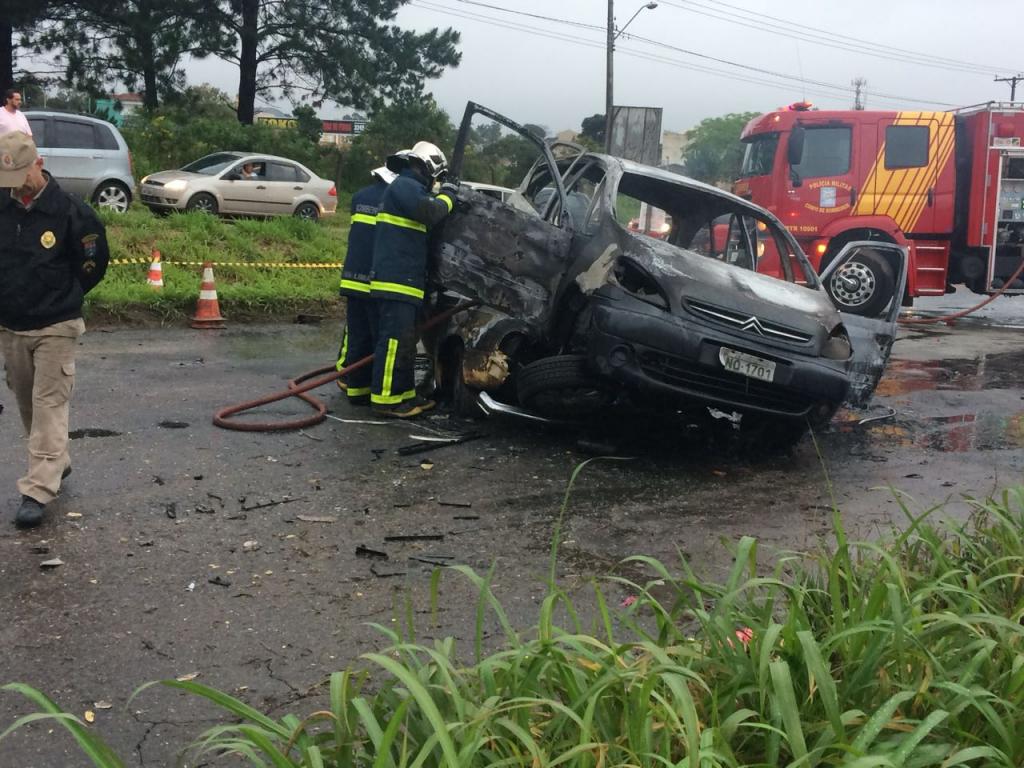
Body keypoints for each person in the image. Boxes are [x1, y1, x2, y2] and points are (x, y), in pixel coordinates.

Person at [0, 131, 109, 528]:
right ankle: (55, 462)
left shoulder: (71, 212)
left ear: (38, 164)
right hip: (11, 324)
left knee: (49, 404)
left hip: (57, 324)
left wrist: (66, 294)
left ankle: (37, 489)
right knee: (27, 403)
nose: (13, 188)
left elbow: (93, 263)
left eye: (19, 177)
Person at [368, 141, 459, 418]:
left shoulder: (409, 188)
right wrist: (449, 195)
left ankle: (405, 395)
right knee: (394, 342)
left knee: (406, 341)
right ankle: (386, 400)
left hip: (404, 280)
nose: (436, 182)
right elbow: (431, 213)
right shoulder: (406, 187)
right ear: (429, 165)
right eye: (437, 176)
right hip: (396, 280)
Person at [335, 165, 396, 403]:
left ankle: (351, 381)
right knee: (377, 336)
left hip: (352, 276)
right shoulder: (391, 201)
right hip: (374, 281)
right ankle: (369, 385)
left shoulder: (359, 197)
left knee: (355, 332)